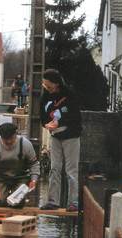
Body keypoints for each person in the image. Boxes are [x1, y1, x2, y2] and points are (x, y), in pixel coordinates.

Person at [39, 69, 82, 212]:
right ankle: (53, 201)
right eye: (44, 85)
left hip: (70, 135)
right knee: (54, 168)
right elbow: (42, 116)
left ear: (56, 84)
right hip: (55, 136)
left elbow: (75, 116)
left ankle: (73, 202)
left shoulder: (69, 94)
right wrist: (47, 124)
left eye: (49, 86)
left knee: (71, 170)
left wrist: (59, 121)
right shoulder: (45, 96)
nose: (46, 88)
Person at [0, 123, 40, 207]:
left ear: (15, 134)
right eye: (5, 139)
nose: (9, 141)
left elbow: (34, 164)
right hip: (2, 178)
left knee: (17, 203)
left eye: (11, 138)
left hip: (21, 178)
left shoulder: (26, 144)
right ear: (1, 137)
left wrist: (33, 180)